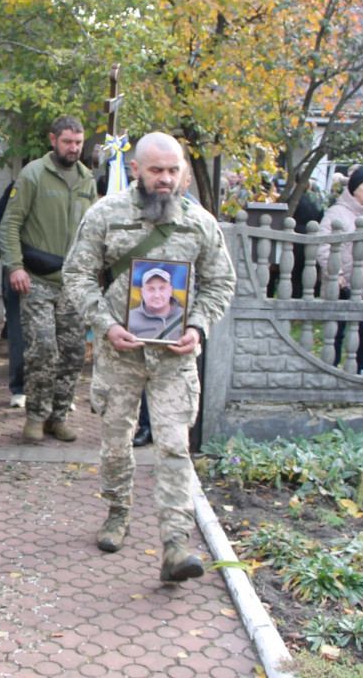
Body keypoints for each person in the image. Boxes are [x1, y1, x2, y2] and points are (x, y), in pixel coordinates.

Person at [63, 132, 236, 582]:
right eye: (156, 170)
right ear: (136, 169)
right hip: (121, 354)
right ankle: (117, 513)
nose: (166, 178)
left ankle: (176, 544)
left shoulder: (200, 223)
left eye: (174, 169)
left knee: (175, 447)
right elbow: (77, 275)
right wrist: (106, 325)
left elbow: (220, 282)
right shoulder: (106, 215)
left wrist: (198, 326)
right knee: (116, 442)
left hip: (175, 359)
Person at [0, 115, 97, 443]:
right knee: (42, 347)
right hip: (37, 280)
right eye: (68, 141)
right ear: (53, 140)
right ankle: (35, 417)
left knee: (71, 353)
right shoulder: (33, 175)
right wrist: (15, 266)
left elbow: (94, 231)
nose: (74, 148)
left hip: (73, 283)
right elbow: (10, 224)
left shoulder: (87, 180)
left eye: (79, 142)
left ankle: (59, 415)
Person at [316, 166, 363, 374]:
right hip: (343, 284)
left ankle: (362, 369)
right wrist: (336, 273)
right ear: (354, 189)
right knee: (337, 330)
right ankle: (331, 368)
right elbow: (323, 246)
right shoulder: (337, 213)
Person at [0, 180, 26, 407]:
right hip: (18, 265)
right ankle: (19, 387)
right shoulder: (18, 185)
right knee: (17, 329)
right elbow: (1, 215)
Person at [127, 267, 184, 340]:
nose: (157, 295)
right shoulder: (131, 318)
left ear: (170, 291)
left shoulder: (185, 315)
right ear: (143, 293)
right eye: (151, 289)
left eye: (162, 288)